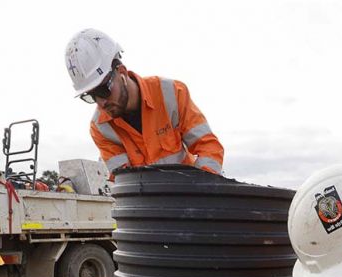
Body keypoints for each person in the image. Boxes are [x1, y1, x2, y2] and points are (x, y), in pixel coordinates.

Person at [64, 28, 224, 179]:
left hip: (187, 194)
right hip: (146, 203)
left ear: (122, 73)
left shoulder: (172, 94)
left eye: (103, 90)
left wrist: (200, 190)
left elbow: (209, 147)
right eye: (91, 96)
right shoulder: (100, 128)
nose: (101, 103)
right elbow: (125, 181)